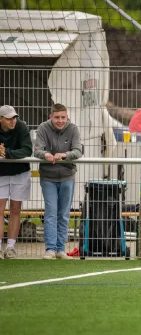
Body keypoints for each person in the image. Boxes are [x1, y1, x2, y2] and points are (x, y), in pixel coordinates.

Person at [33, 103, 83, 260]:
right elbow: (37, 150)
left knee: (64, 214)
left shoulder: (73, 129)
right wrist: (46, 155)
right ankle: (50, 249)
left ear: (67, 117)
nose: (60, 121)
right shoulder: (42, 128)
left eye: (63, 117)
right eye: (57, 117)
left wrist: (64, 155)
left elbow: (78, 151)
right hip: (48, 176)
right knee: (50, 213)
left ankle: (61, 249)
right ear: (50, 117)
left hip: (68, 176)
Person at [0, 105, 33, 260]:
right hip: (1, 173)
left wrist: (6, 153)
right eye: (8, 118)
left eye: (14, 117)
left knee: (15, 209)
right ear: (1, 119)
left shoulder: (21, 126)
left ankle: (11, 247)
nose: (13, 121)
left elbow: (27, 150)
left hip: (20, 173)